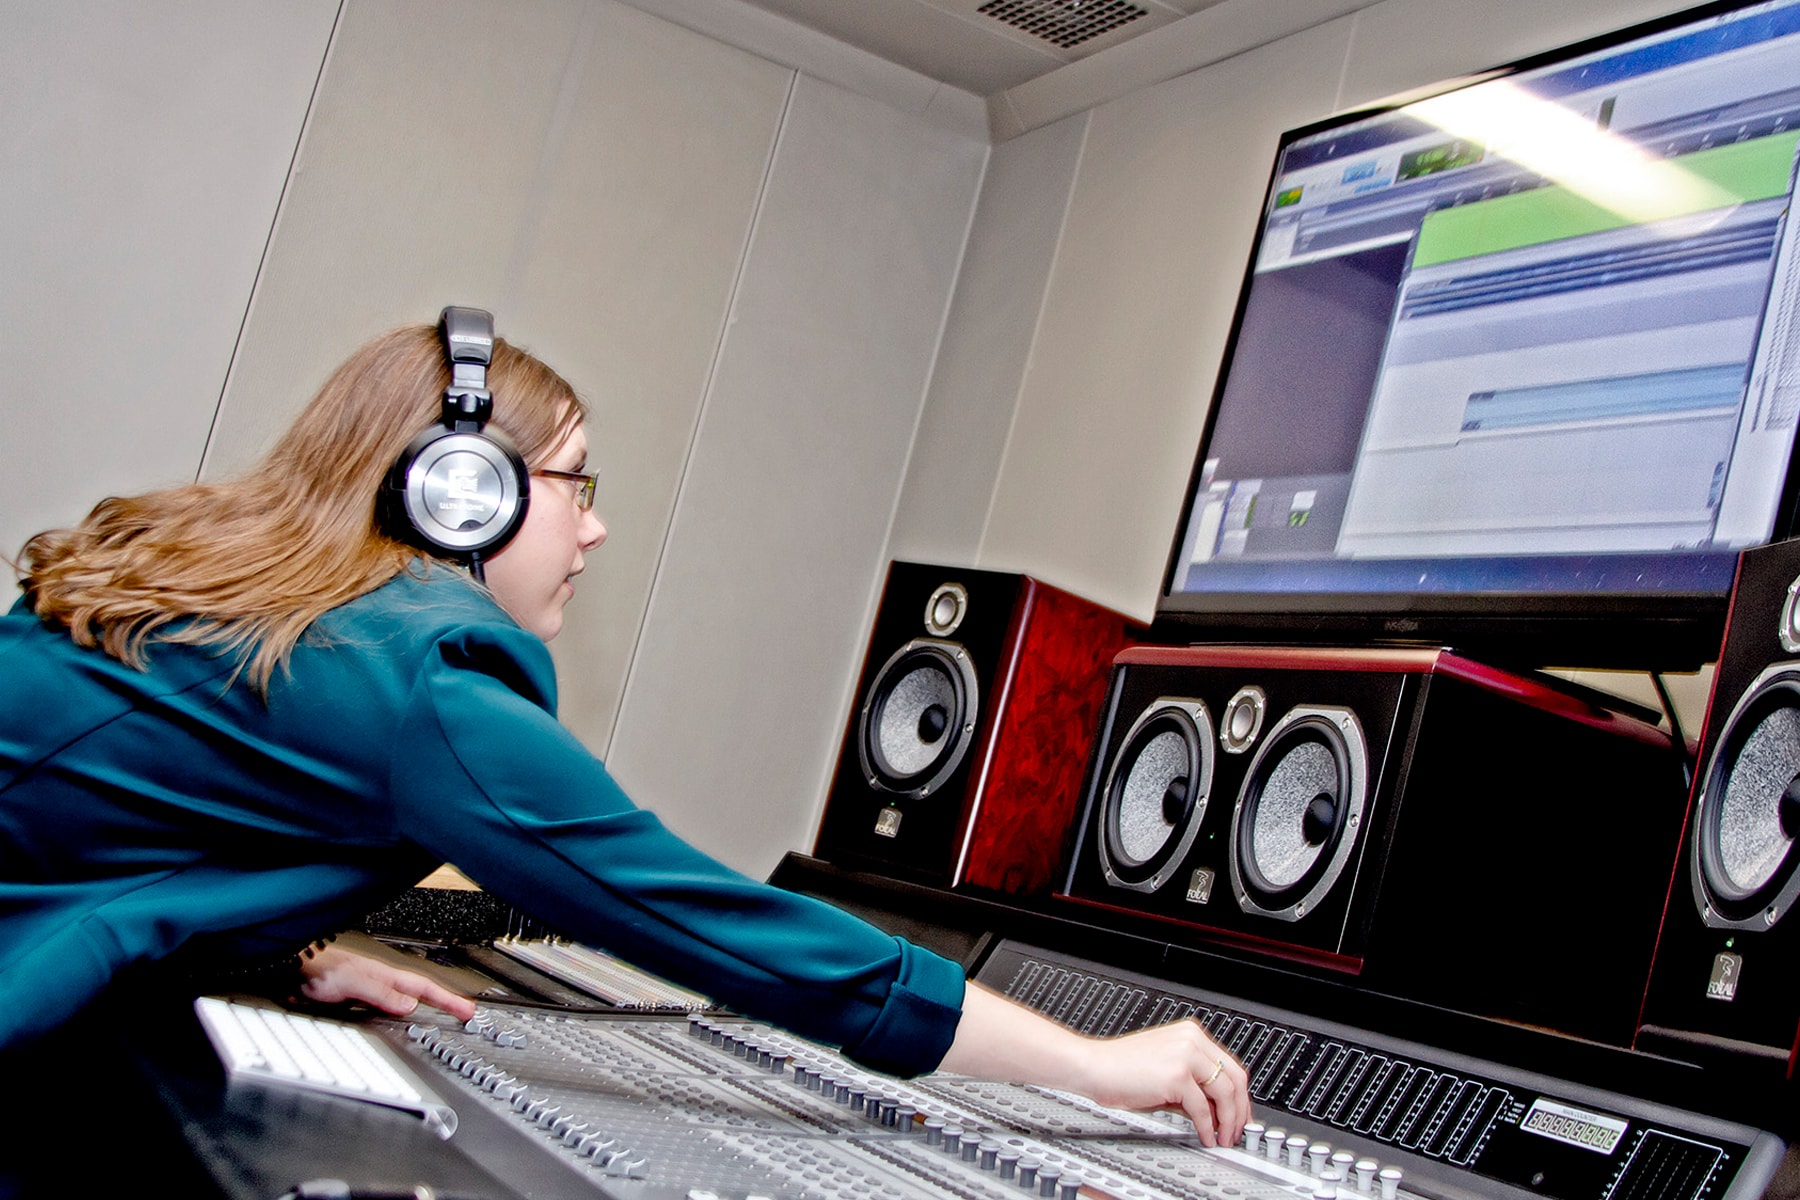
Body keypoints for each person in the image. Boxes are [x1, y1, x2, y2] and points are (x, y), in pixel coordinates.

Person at [0, 312, 1250, 1147]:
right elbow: (708, 918)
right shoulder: (415, 676)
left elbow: (120, 826)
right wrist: (1092, 1068)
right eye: (576, 483)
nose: (593, 529)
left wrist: (282, 952)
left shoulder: (282, 607)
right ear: (459, 495)